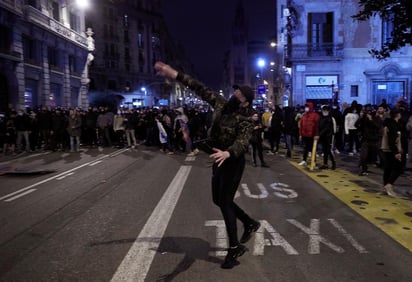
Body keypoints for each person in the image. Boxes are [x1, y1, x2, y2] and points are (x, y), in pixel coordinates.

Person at [154, 61, 261, 269]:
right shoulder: (221, 103)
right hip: (217, 156)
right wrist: (174, 73)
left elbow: (243, 141)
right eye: (235, 91)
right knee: (217, 200)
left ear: (245, 102)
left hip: (231, 161)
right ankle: (249, 222)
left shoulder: (247, 119)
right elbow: (199, 87)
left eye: (239, 94)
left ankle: (234, 248)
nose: (235, 94)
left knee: (226, 202)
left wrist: (229, 152)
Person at [381, 109, 403, 197]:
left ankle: (386, 187)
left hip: (387, 149)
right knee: (399, 168)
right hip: (391, 150)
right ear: (397, 115)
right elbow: (392, 140)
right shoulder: (392, 125)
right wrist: (396, 152)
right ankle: (389, 185)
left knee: (388, 168)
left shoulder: (388, 124)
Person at [298, 101, 320, 166]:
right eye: (305, 107)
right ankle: (304, 160)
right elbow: (301, 126)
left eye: (307, 107)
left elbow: (317, 126)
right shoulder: (304, 115)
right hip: (305, 135)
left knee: (313, 149)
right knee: (305, 148)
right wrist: (300, 134)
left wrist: (317, 134)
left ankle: (314, 161)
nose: (306, 108)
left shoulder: (315, 115)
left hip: (312, 135)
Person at [318, 105, 336, 170]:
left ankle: (333, 163)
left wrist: (319, 134)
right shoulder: (321, 117)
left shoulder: (330, 118)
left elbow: (327, 128)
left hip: (329, 137)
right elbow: (319, 126)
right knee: (324, 150)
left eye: (326, 110)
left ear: (328, 111)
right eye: (323, 110)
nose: (325, 111)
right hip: (323, 137)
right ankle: (325, 164)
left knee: (329, 150)